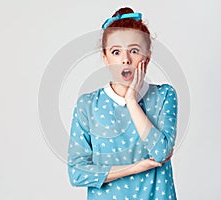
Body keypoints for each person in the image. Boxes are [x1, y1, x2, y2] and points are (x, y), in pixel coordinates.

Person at [67, 7, 178, 200]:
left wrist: (131, 101)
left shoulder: (164, 96)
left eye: (134, 51)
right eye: (116, 52)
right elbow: (77, 173)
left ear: (147, 57)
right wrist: (135, 168)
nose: (125, 60)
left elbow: (161, 152)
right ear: (106, 58)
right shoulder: (88, 105)